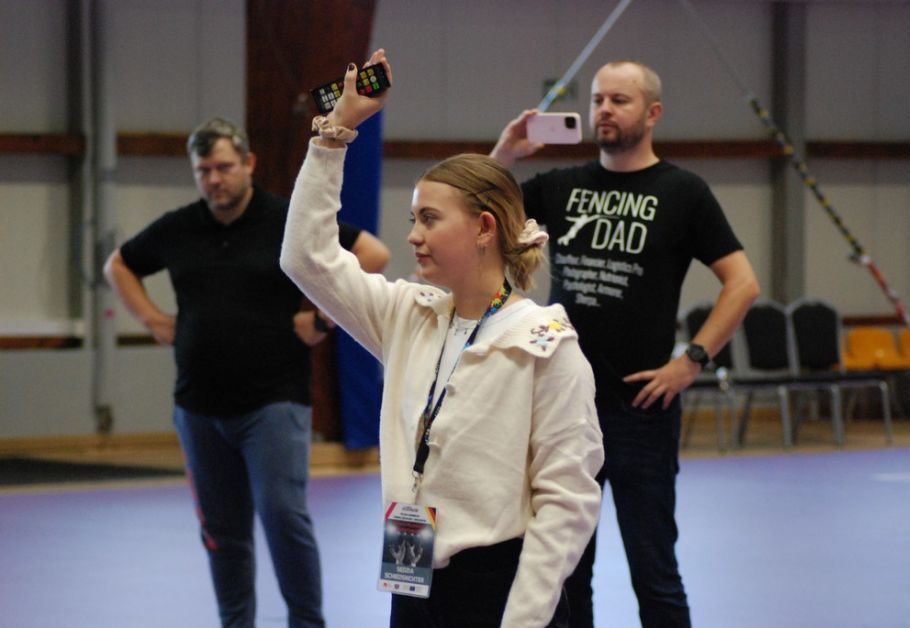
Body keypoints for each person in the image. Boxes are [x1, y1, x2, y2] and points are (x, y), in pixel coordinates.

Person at [280, 49, 604, 628]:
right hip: (412, 568)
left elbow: (567, 503)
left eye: (429, 219)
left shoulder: (546, 345)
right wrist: (333, 136)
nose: (413, 236)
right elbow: (305, 258)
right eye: (414, 219)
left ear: (484, 228)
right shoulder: (407, 315)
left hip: (501, 590)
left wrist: (523, 620)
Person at [490, 60, 761, 627]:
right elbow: (479, 216)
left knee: (654, 570)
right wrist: (507, 152)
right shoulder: (562, 186)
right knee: (565, 572)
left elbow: (742, 284)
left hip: (642, 408)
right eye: (597, 100)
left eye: (620, 100)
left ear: (652, 113)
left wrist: (691, 361)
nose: (604, 110)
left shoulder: (683, 192)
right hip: (564, 406)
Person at [103, 117, 389, 628]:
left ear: (248, 164)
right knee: (221, 531)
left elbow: (372, 251)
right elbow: (118, 265)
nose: (214, 179)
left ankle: (307, 622)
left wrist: (323, 316)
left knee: (283, 518)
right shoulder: (178, 228)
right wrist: (151, 319)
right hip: (198, 407)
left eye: (224, 167)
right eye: (204, 170)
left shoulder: (284, 219)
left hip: (274, 401)